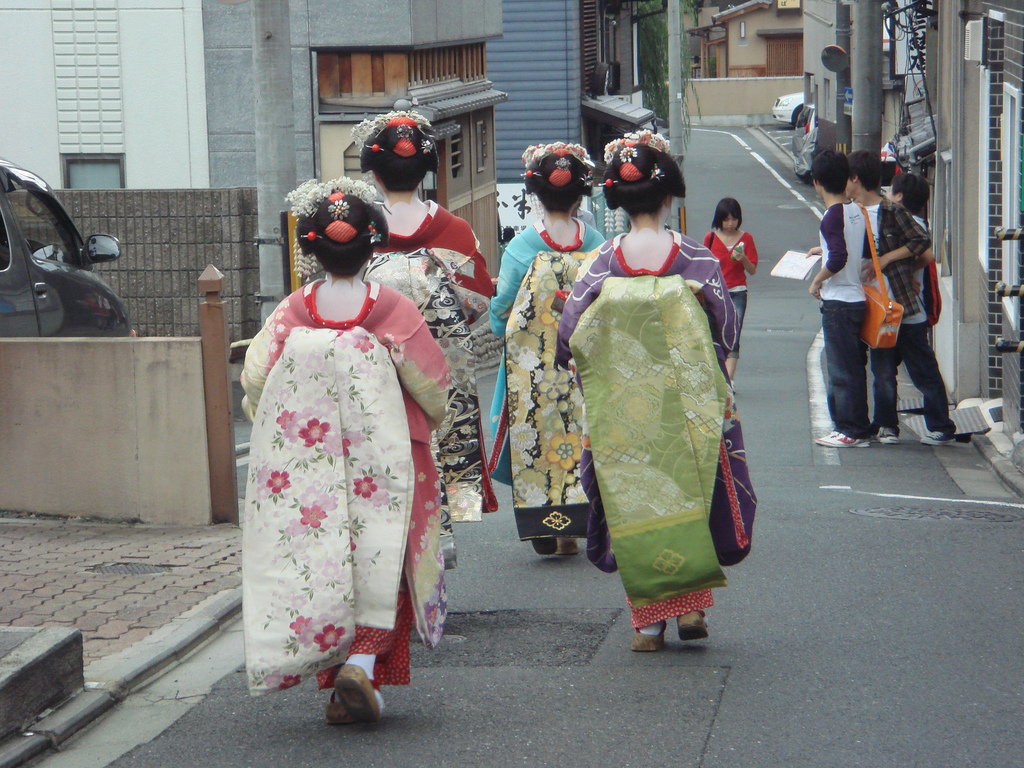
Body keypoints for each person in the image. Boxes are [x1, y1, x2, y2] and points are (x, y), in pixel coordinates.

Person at [240, 177, 450, 724]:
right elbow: (432, 383)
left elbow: (257, 380)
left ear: (311, 248)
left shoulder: (294, 312)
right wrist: (432, 418)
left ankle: (339, 682)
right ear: (373, 244)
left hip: (310, 467)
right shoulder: (391, 309)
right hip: (387, 457)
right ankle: (362, 663)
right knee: (385, 556)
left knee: (324, 557)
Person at [555, 131, 756, 651]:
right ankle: (691, 607)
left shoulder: (602, 263)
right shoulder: (697, 260)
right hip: (692, 402)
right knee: (697, 492)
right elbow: (725, 327)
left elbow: (570, 333)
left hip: (624, 407)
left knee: (634, 500)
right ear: (668, 198)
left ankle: (648, 623)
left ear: (617, 201)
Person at [354, 110, 497, 567]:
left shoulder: (360, 234)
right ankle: (444, 523)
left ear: (374, 174)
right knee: (443, 426)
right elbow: (480, 300)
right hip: (442, 361)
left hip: (376, 362)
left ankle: (390, 530)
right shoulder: (453, 231)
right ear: (429, 169)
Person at [488, 142, 605, 557]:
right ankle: (573, 525)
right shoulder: (596, 244)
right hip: (581, 364)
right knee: (578, 434)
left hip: (531, 367)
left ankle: (542, 519)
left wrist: (508, 328)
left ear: (535, 195)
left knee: (535, 434)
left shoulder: (521, 248)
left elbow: (501, 309)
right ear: (580, 196)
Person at [845, 151, 955, 446]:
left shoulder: (891, 211)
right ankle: (886, 426)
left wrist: (889, 260)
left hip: (904, 307)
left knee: (921, 369)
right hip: (877, 309)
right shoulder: (850, 213)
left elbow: (923, 245)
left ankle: (941, 426)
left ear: (855, 179)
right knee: (882, 371)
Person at [807, 150, 872, 448]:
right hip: (858, 297)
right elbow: (854, 250)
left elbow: (841, 256)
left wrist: (817, 281)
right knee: (854, 367)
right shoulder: (857, 210)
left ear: (817, 182)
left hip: (839, 303)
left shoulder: (830, 216)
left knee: (841, 371)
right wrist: (825, 252)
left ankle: (848, 429)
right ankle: (858, 425)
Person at [704, 197, 758, 381]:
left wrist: (742, 258)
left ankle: (728, 381)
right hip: (715, 292)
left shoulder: (746, 238)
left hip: (737, 292)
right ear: (719, 219)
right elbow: (705, 266)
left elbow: (752, 270)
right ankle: (719, 377)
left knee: (734, 337)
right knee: (715, 335)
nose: (730, 224)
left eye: (733, 219)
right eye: (726, 219)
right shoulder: (710, 238)